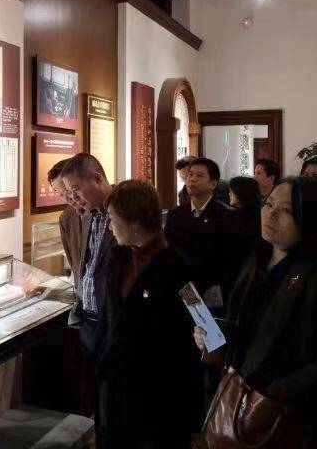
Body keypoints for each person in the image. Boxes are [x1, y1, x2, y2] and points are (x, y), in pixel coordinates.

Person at [194, 176, 317, 448]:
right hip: (239, 405)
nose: (271, 214)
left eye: (286, 210)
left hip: (285, 422)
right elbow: (250, 327)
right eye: (269, 204)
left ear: (310, 219)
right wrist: (214, 335)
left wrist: (272, 394)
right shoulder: (257, 261)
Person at [95, 179, 202, 449]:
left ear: (134, 221)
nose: (109, 226)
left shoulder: (179, 267)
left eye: (112, 218)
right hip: (114, 391)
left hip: (158, 398)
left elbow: (203, 328)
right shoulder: (117, 258)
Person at [60, 152, 121, 357]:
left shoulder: (125, 211)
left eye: (75, 189)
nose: (73, 197)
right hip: (90, 325)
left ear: (97, 179)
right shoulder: (85, 214)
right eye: (69, 192)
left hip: (114, 325)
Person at [165, 157, 244, 312]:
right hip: (182, 289)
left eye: (199, 175)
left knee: (206, 325)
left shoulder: (228, 216)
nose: (192, 179)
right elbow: (169, 252)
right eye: (190, 175)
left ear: (213, 184)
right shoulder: (175, 215)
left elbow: (231, 259)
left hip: (214, 292)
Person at [49, 159, 87, 292]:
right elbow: (74, 265)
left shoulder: (109, 210)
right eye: (62, 195)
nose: (68, 199)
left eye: (68, 190)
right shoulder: (66, 218)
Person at [228, 175, 262, 244]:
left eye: (231, 192)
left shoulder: (239, 217)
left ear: (240, 193)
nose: (229, 194)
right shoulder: (257, 212)